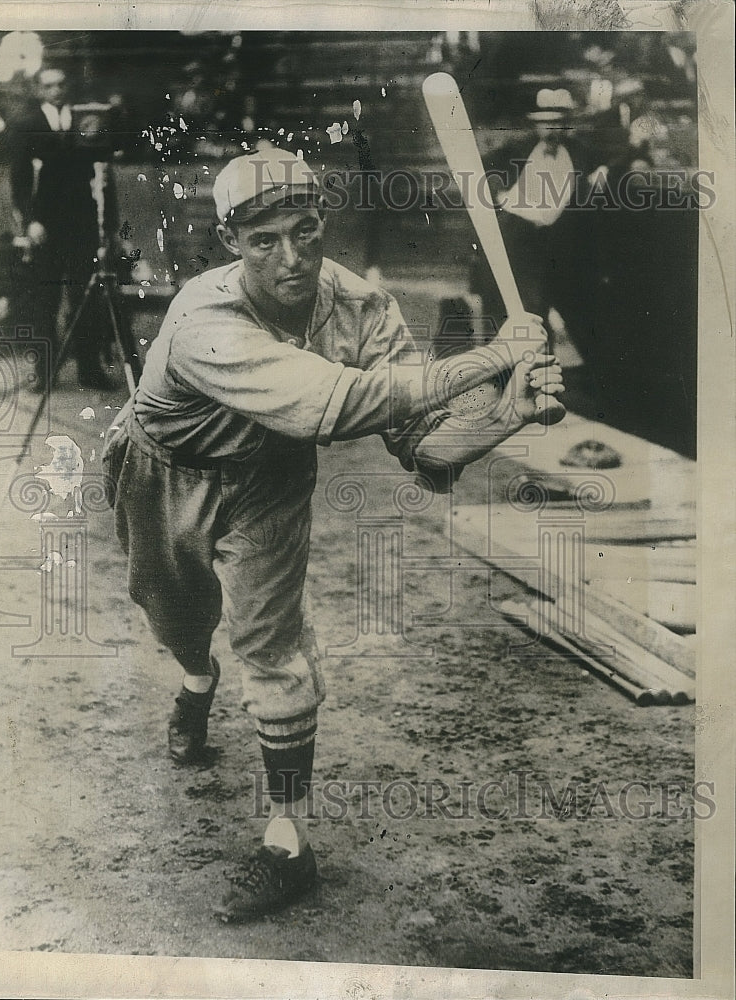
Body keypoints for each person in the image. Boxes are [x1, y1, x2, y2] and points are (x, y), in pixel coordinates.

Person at [103, 145, 564, 923]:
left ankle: (287, 843)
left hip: (270, 484)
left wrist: (507, 411)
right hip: (167, 470)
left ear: (323, 226)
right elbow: (345, 402)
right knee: (177, 619)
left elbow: (427, 453)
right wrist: (493, 357)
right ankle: (194, 679)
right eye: (265, 240)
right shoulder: (202, 319)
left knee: (273, 650)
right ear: (230, 243)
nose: (291, 257)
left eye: (306, 233)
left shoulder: (363, 310)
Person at [470, 88, 608, 349]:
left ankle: (558, 365)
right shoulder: (518, 149)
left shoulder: (580, 152)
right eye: (545, 124)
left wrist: (600, 174)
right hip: (522, 238)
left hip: (561, 240)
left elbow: (603, 166)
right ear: (536, 125)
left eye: (557, 123)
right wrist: (499, 193)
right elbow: (482, 167)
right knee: (527, 306)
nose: (551, 130)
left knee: (568, 305)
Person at [8, 64, 115, 390]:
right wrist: (30, 221)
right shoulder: (28, 125)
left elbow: (102, 174)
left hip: (82, 222)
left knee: (86, 295)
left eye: (61, 84)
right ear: (40, 90)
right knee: (46, 299)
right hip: (46, 225)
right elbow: (21, 179)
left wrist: (106, 224)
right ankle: (44, 372)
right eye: (49, 86)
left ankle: (90, 369)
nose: (56, 90)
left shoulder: (87, 121)